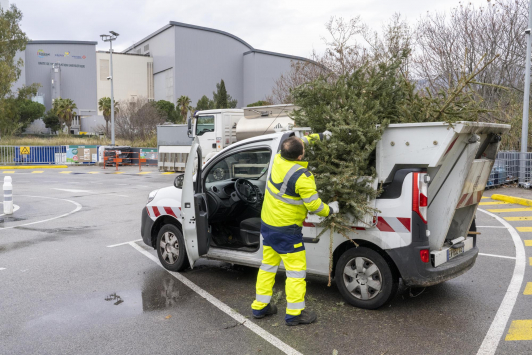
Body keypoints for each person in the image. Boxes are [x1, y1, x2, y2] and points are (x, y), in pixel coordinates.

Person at [251, 132, 339, 326]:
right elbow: (315, 206)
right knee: (296, 272)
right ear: (300, 156)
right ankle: (294, 314)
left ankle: (260, 306)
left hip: (268, 226)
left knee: (267, 267)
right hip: (287, 231)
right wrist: (331, 209)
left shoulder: (277, 159)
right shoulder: (302, 176)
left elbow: (300, 142)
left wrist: (321, 136)